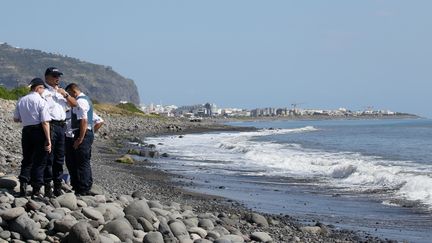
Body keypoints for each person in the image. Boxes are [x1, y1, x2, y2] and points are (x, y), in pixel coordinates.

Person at [13, 78, 52, 197]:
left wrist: (26, 117)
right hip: (38, 130)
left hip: (26, 130)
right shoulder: (41, 101)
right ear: (37, 88)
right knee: (40, 161)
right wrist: (48, 140)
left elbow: (16, 118)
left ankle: (23, 185)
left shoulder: (21, 100)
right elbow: (45, 121)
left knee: (27, 159)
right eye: (42, 88)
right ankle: (36, 188)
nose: (43, 91)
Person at [42, 67, 77, 197]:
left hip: (62, 126)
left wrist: (65, 94)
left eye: (58, 76)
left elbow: (75, 104)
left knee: (59, 158)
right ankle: (47, 187)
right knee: (49, 158)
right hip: (50, 125)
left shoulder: (61, 92)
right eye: (54, 76)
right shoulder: (44, 92)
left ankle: (57, 186)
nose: (57, 79)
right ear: (47, 77)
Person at [64, 83, 94, 195]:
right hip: (83, 132)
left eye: (69, 94)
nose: (69, 98)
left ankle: (83, 188)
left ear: (73, 92)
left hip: (83, 133)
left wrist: (80, 138)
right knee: (78, 161)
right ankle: (81, 186)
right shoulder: (85, 99)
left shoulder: (80, 101)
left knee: (81, 161)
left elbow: (83, 120)